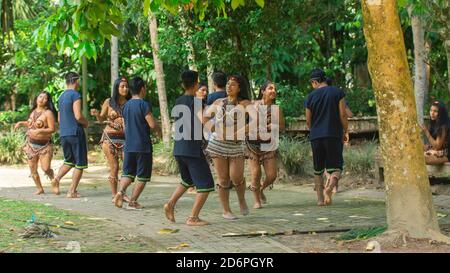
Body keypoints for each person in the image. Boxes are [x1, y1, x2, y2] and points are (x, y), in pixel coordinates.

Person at [163, 70, 215, 226]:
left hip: (179, 148)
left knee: (187, 180)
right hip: (192, 149)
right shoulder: (196, 101)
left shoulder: (179, 100)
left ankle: (170, 204)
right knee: (206, 185)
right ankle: (193, 218)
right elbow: (203, 119)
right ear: (196, 84)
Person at [204, 74, 251, 220]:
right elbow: (205, 116)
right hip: (218, 144)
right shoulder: (219, 101)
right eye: (228, 84)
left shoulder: (245, 104)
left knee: (236, 177)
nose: (228, 86)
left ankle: (241, 200)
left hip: (236, 145)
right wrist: (214, 128)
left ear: (239, 88)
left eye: (233, 84)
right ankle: (226, 210)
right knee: (223, 179)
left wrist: (239, 132)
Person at [113, 76, 161, 210]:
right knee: (142, 176)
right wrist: (159, 131)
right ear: (142, 89)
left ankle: (120, 192)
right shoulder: (143, 104)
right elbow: (152, 124)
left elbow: (124, 124)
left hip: (129, 145)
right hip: (142, 146)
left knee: (128, 173)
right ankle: (133, 202)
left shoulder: (126, 105)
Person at [304, 68, 349, 206]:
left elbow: (308, 121)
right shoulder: (337, 92)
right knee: (336, 168)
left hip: (316, 136)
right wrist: (346, 130)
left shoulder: (310, 97)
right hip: (333, 134)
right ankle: (329, 188)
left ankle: (320, 200)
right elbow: (343, 114)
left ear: (315, 82)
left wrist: (314, 130)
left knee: (318, 170)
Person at [90, 77, 131, 202]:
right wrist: (97, 114)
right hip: (109, 138)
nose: (125, 88)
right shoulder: (109, 102)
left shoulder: (130, 102)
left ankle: (122, 193)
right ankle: (115, 195)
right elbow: (102, 119)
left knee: (127, 167)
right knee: (114, 167)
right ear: (116, 88)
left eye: (126, 86)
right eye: (122, 86)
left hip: (125, 139)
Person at [246, 81, 285, 209]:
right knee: (256, 174)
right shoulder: (252, 105)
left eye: (275, 89)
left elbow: (282, 127)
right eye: (270, 88)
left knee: (272, 176)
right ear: (263, 91)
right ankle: (256, 201)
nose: (273, 90)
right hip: (252, 145)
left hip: (269, 145)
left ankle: (261, 189)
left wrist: (272, 125)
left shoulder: (276, 109)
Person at [52, 72, 89, 198]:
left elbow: (60, 119)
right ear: (76, 81)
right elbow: (78, 116)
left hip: (64, 133)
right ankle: (72, 191)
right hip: (75, 132)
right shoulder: (75, 95)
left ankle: (56, 179)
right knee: (80, 163)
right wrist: (85, 123)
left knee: (69, 160)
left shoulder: (61, 96)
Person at [14, 92, 57, 195]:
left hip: (45, 146)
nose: (42, 99)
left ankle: (54, 180)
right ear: (37, 98)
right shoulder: (33, 111)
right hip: (31, 145)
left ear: (48, 101)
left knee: (46, 168)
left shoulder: (48, 113)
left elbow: (52, 129)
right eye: (40, 96)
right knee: (33, 169)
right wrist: (21, 123)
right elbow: (31, 124)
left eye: (45, 98)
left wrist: (39, 131)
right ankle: (40, 188)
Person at [421, 100, 450, 165]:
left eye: (435, 111)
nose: (432, 113)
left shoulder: (443, 126)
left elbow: (437, 146)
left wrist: (426, 132)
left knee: (422, 158)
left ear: (441, 113)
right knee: (418, 148)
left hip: (447, 154)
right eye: (431, 110)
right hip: (438, 151)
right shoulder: (434, 123)